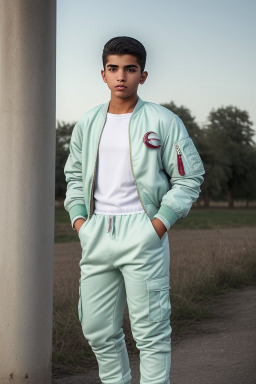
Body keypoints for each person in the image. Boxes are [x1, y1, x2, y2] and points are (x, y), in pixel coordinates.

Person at [64, 36, 205, 384]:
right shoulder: (88, 123)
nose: (121, 76)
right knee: (97, 329)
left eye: (130, 69)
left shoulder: (163, 120)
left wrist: (159, 224)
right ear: (103, 74)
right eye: (113, 69)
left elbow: (190, 177)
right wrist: (80, 221)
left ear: (143, 75)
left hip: (143, 233)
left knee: (151, 333)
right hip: (97, 233)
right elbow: (73, 176)